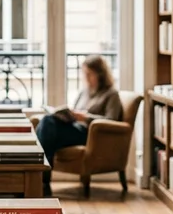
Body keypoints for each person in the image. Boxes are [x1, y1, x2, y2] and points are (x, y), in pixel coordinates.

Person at [36, 54, 123, 193]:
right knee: (47, 123)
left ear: (100, 74)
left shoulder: (111, 94)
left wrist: (86, 118)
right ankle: (42, 180)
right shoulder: (85, 91)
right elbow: (75, 110)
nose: (86, 78)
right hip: (74, 128)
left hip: (89, 135)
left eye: (90, 74)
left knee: (47, 127)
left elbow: (112, 120)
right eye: (85, 74)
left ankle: (39, 179)